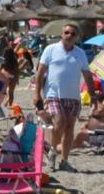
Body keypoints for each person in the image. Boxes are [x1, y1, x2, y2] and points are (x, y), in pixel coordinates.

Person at [34, 24, 97, 171]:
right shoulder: (50, 49)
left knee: (69, 128)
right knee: (60, 122)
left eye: (73, 34)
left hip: (74, 97)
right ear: (61, 34)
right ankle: (53, 150)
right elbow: (40, 73)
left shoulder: (80, 53)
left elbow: (87, 75)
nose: (69, 36)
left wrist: (93, 94)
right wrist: (36, 94)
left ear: (77, 37)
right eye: (67, 32)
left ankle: (64, 161)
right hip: (53, 94)